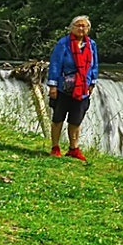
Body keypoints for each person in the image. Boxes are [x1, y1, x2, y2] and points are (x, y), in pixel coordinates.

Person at [46, 15, 99, 160]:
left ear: (88, 29)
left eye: (84, 26)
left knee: (76, 120)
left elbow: (94, 66)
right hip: (64, 87)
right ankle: (55, 147)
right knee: (58, 118)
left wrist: (92, 82)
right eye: (78, 25)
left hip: (82, 89)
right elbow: (55, 65)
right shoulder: (63, 44)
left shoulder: (91, 45)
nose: (81, 28)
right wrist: (53, 86)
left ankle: (73, 148)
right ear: (72, 27)